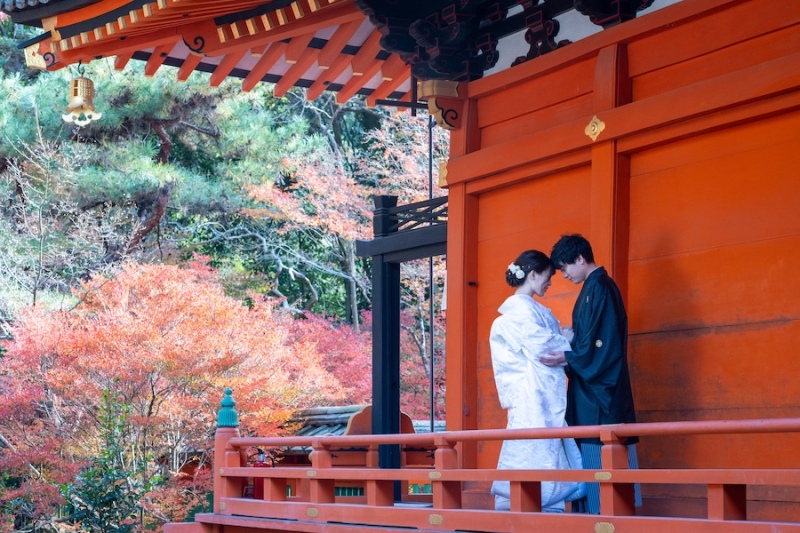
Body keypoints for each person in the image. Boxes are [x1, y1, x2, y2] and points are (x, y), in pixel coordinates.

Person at [540, 234, 639, 514]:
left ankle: (606, 518)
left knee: (602, 455)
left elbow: (605, 345)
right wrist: (570, 343)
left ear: (580, 258)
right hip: (588, 390)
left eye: (565, 268)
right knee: (586, 456)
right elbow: (589, 342)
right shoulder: (592, 288)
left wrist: (568, 355)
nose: (564, 275)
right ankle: (591, 517)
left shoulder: (602, 288)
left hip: (600, 394)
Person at [489, 250, 586, 513]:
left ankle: (535, 505)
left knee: (539, 446)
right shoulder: (521, 312)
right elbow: (543, 348)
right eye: (548, 276)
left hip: (537, 392)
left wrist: (561, 339)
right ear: (533, 274)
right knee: (535, 446)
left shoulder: (526, 310)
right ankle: (531, 504)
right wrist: (566, 339)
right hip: (531, 393)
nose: (550, 282)